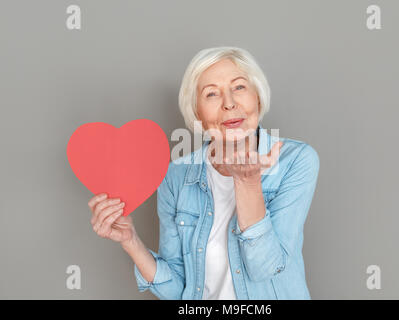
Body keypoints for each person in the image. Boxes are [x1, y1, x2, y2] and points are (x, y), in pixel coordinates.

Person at [87, 46, 320, 299]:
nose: (229, 104)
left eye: (239, 87)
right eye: (211, 94)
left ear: (259, 97)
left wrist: (248, 183)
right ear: (197, 113)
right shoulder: (175, 176)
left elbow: (265, 268)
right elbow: (178, 290)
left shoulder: (296, 161)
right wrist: (130, 241)